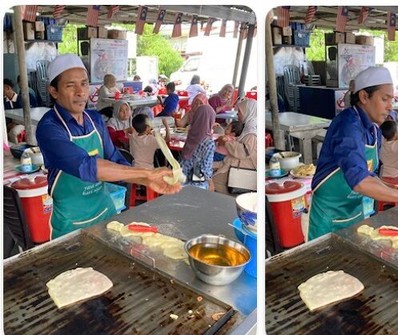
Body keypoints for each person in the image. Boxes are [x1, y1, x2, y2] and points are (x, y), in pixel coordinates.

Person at [35, 54, 181, 238]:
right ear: (54, 91)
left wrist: (148, 181)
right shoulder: (49, 128)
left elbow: (115, 160)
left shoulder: (94, 119)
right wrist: (147, 173)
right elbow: (86, 166)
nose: (81, 92)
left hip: (106, 213)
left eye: (84, 83)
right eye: (70, 85)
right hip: (71, 223)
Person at [309, 66, 398, 240]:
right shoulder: (348, 127)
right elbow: (360, 182)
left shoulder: (373, 129)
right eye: (385, 99)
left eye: (391, 100)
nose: (390, 106)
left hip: (354, 210)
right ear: (364, 97)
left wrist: (385, 185)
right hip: (329, 216)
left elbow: (367, 173)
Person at [212, 98, 257, 194]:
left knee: (215, 182)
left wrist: (226, 142)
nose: (237, 114)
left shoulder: (251, 133)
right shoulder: (248, 128)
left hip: (242, 169)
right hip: (237, 164)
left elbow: (243, 152)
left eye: (240, 112)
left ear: (247, 112)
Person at [179, 104, 217, 191]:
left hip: (181, 178)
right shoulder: (209, 143)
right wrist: (211, 184)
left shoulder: (191, 133)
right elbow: (205, 168)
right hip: (196, 181)